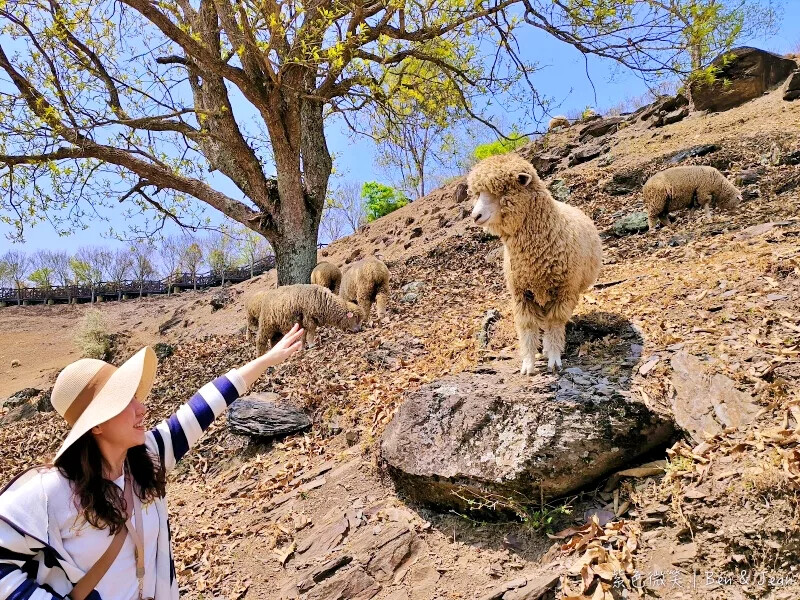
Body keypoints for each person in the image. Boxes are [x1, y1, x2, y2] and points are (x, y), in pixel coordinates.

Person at [0, 324, 305, 600]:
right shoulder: (52, 490)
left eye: (135, 396)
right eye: (125, 401)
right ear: (96, 425)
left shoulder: (146, 457)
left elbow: (202, 407)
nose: (141, 408)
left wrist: (267, 360)